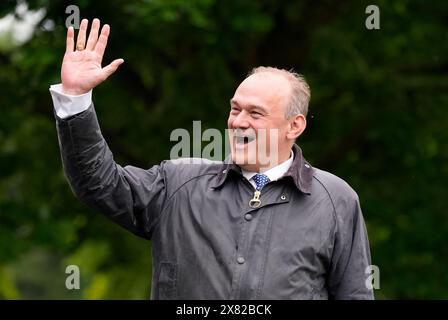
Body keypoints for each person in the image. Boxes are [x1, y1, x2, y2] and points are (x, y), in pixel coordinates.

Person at [50, 18, 374, 300]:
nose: (238, 121)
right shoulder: (178, 184)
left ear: (295, 126)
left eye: (255, 113)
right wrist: (75, 100)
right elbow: (98, 183)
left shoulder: (336, 200)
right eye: (235, 109)